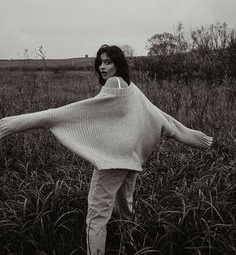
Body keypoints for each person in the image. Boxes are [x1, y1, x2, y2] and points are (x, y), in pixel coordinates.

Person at [0, 44, 213, 255]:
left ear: (118, 64)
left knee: (96, 216)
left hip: (113, 161)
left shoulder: (113, 84)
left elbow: (71, 113)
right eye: (100, 62)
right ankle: (128, 247)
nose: (103, 67)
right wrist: (199, 139)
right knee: (125, 210)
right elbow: (164, 119)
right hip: (132, 160)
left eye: (108, 62)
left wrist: (8, 125)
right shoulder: (132, 89)